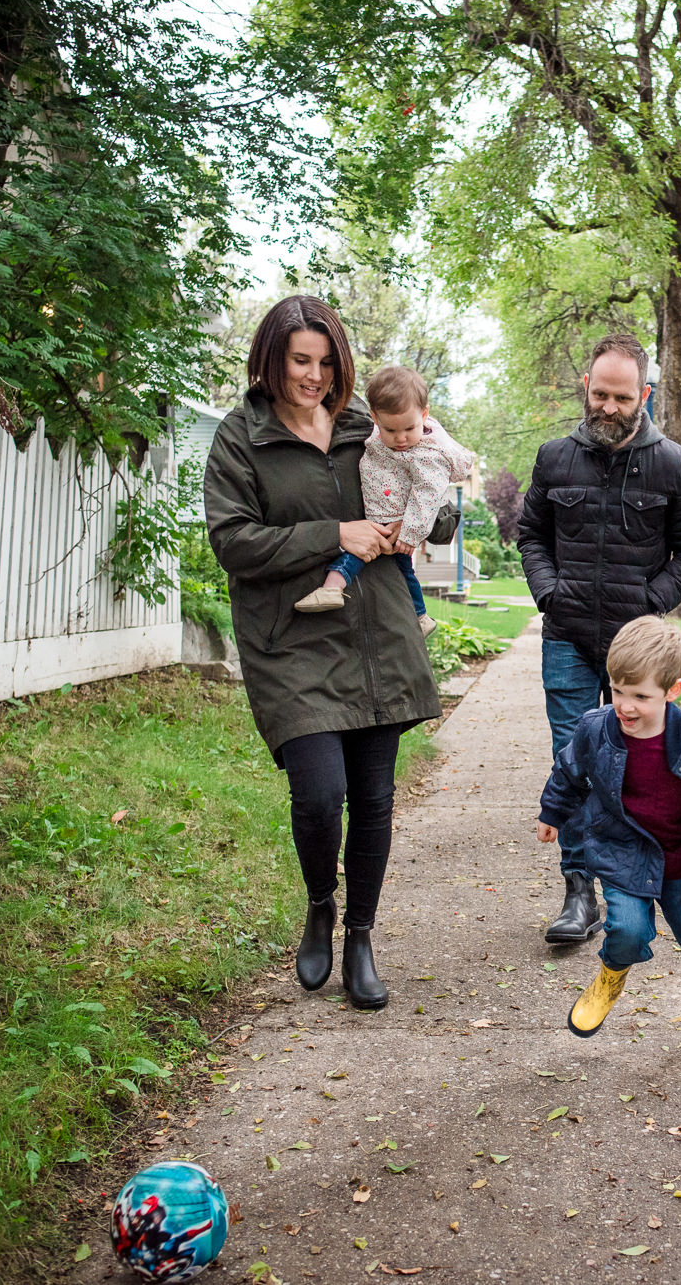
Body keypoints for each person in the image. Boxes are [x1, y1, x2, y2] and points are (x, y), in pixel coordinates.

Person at [204, 296, 441, 1011]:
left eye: (325, 361)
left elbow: (425, 487)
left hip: (377, 639)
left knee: (373, 797)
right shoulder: (242, 440)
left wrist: (431, 513)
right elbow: (233, 543)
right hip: (293, 642)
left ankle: (361, 938)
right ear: (271, 359)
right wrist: (334, 533)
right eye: (299, 360)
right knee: (319, 793)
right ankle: (320, 905)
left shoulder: (368, 428)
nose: (313, 375)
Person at [517, 334, 681, 943]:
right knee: (574, 763)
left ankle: (630, 882)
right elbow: (530, 535)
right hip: (568, 638)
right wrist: (550, 593)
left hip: (638, 651)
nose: (607, 408)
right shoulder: (554, 458)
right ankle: (579, 893)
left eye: (621, 398)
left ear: (644, 395)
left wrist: (649, 604)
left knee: (637, 765)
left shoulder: (674, 465)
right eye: (599, 394)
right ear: (587, 387)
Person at [533, 617, 681, 1057]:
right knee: (627, 929)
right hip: (624, 857)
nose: (625, 706)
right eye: (618, 691)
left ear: (671, 691)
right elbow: (569, 770)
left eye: (640, 696)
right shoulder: (595, 728)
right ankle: (609, 978)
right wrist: (553, 812)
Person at [294, 365, 476, 638]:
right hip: (380, 513)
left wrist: (410, 533)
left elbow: (427, 495)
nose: (401, 438)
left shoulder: (429, 455)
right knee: (404, 570)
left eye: (409, 428)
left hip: (396, 523)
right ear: (375, 418)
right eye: (390, 429)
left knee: (362, 554)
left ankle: (333, 586)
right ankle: (420, 616)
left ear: (424, 415)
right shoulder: (378, 438)